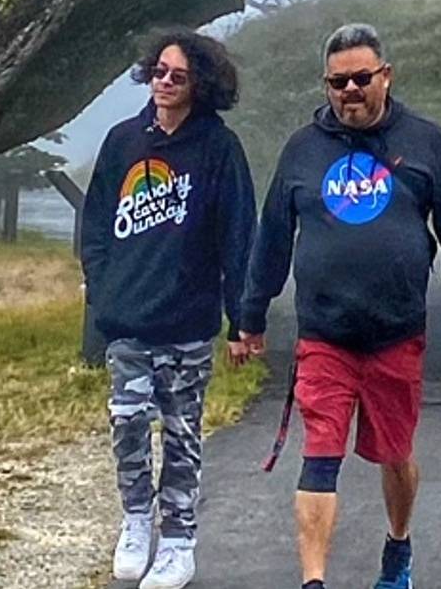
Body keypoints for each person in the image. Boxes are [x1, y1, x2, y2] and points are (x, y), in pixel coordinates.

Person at [235, 23, 441, 589]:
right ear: (326, 86)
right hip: (324, 336)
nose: (350, 90)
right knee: (320, 455)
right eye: (337, 82)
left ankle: (398, 548)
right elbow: (272, 237)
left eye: (360, 78)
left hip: (396, 334)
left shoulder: (425, 143)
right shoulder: (303, 149)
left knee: (394, 454)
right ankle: (314, 581)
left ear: (385, 76)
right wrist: (250, 318)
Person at [78, 30, 259, 589]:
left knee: (181, 433)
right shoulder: (122, 141)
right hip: (128, 320)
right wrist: (104, 290)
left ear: (200, 84)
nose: (163, 82)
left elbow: (238, 239)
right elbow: (97, 226)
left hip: (187, 322)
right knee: (128, 423)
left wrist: (242, 320)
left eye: (176, 75)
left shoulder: (219, 149)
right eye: (157, 71)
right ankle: (136, 520)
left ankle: (178, 541)